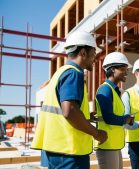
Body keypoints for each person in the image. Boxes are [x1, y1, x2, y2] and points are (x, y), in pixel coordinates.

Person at [31, 31, 108, 169]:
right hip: (69, 152)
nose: (94, 59)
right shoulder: (74, 73)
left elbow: (64, 111)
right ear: (83, 53)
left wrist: (85, 117)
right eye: (93, 54)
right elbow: (69, 111)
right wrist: (97, 134)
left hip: (56, 149)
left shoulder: (60, 72)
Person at [94, 52, 134, 169]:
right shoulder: (105, 89)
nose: (126, 72)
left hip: (113, 144)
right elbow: (108, 117)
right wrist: (125, 119)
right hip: (106, 145)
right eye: (123, 69)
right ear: (112, 70)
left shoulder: (114, 90)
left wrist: (126, 119)